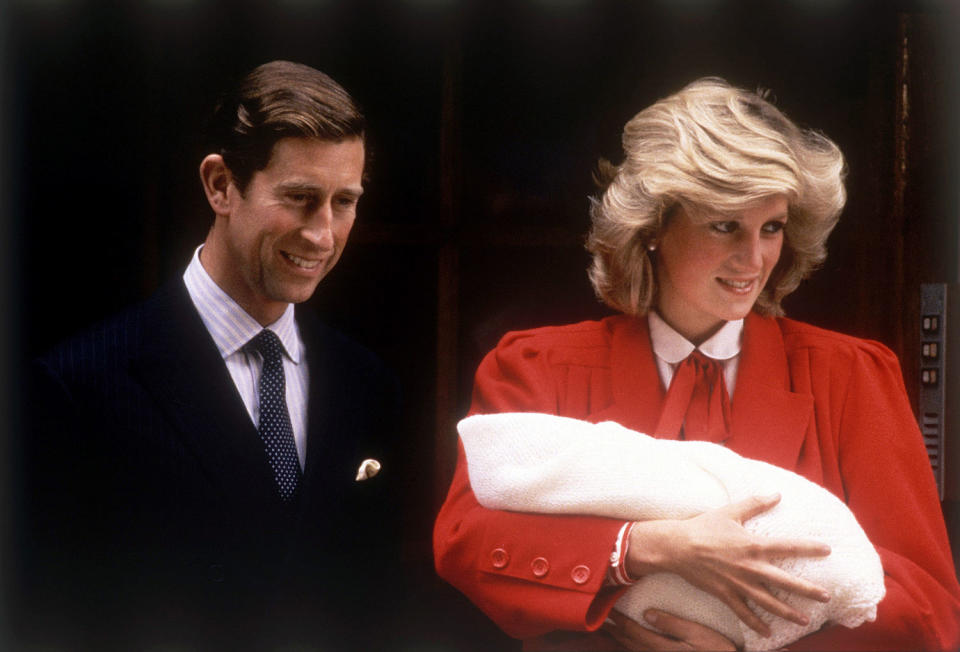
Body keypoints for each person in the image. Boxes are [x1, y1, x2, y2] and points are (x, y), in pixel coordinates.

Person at [434, 78, 960, 651]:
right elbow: (465, 542)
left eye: (772, 227)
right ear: (654, 225)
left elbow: (929, 604)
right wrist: (643, 548)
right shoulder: (536, 366)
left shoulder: (852, 374)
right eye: (724, 224)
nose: (753, 259)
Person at [16, 60, 403, 650]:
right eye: (300, 198)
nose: (323, 235)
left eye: (344, 202)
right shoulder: (79, 385)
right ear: (221, 185)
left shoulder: (367, 383)